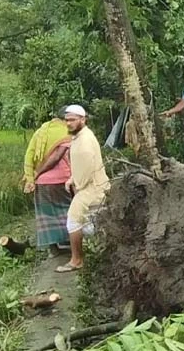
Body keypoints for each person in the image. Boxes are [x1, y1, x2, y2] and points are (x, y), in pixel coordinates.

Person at [55, 104, 110, 273]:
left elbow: (86, 168)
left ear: (83, 119)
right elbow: (80, 166)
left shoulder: (84, 140)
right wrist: (72, 178)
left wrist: (78, 185)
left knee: (73, 221)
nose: (68, 123)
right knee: (95, 221)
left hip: (90, 188)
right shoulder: (79, 136)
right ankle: (107, 251)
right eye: (67, 120)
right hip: (91, 186)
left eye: (72, 120)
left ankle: (77, 260)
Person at [22, 108, 72, 258]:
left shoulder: (41, 132)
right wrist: (40, 171)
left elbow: (29, 154)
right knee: (68, 211)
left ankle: (54, 249)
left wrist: (32, 176)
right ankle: (72, 244)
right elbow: (56, 158)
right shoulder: (65, 132)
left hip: (42, 183)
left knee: (47, 214)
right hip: (61, 180)